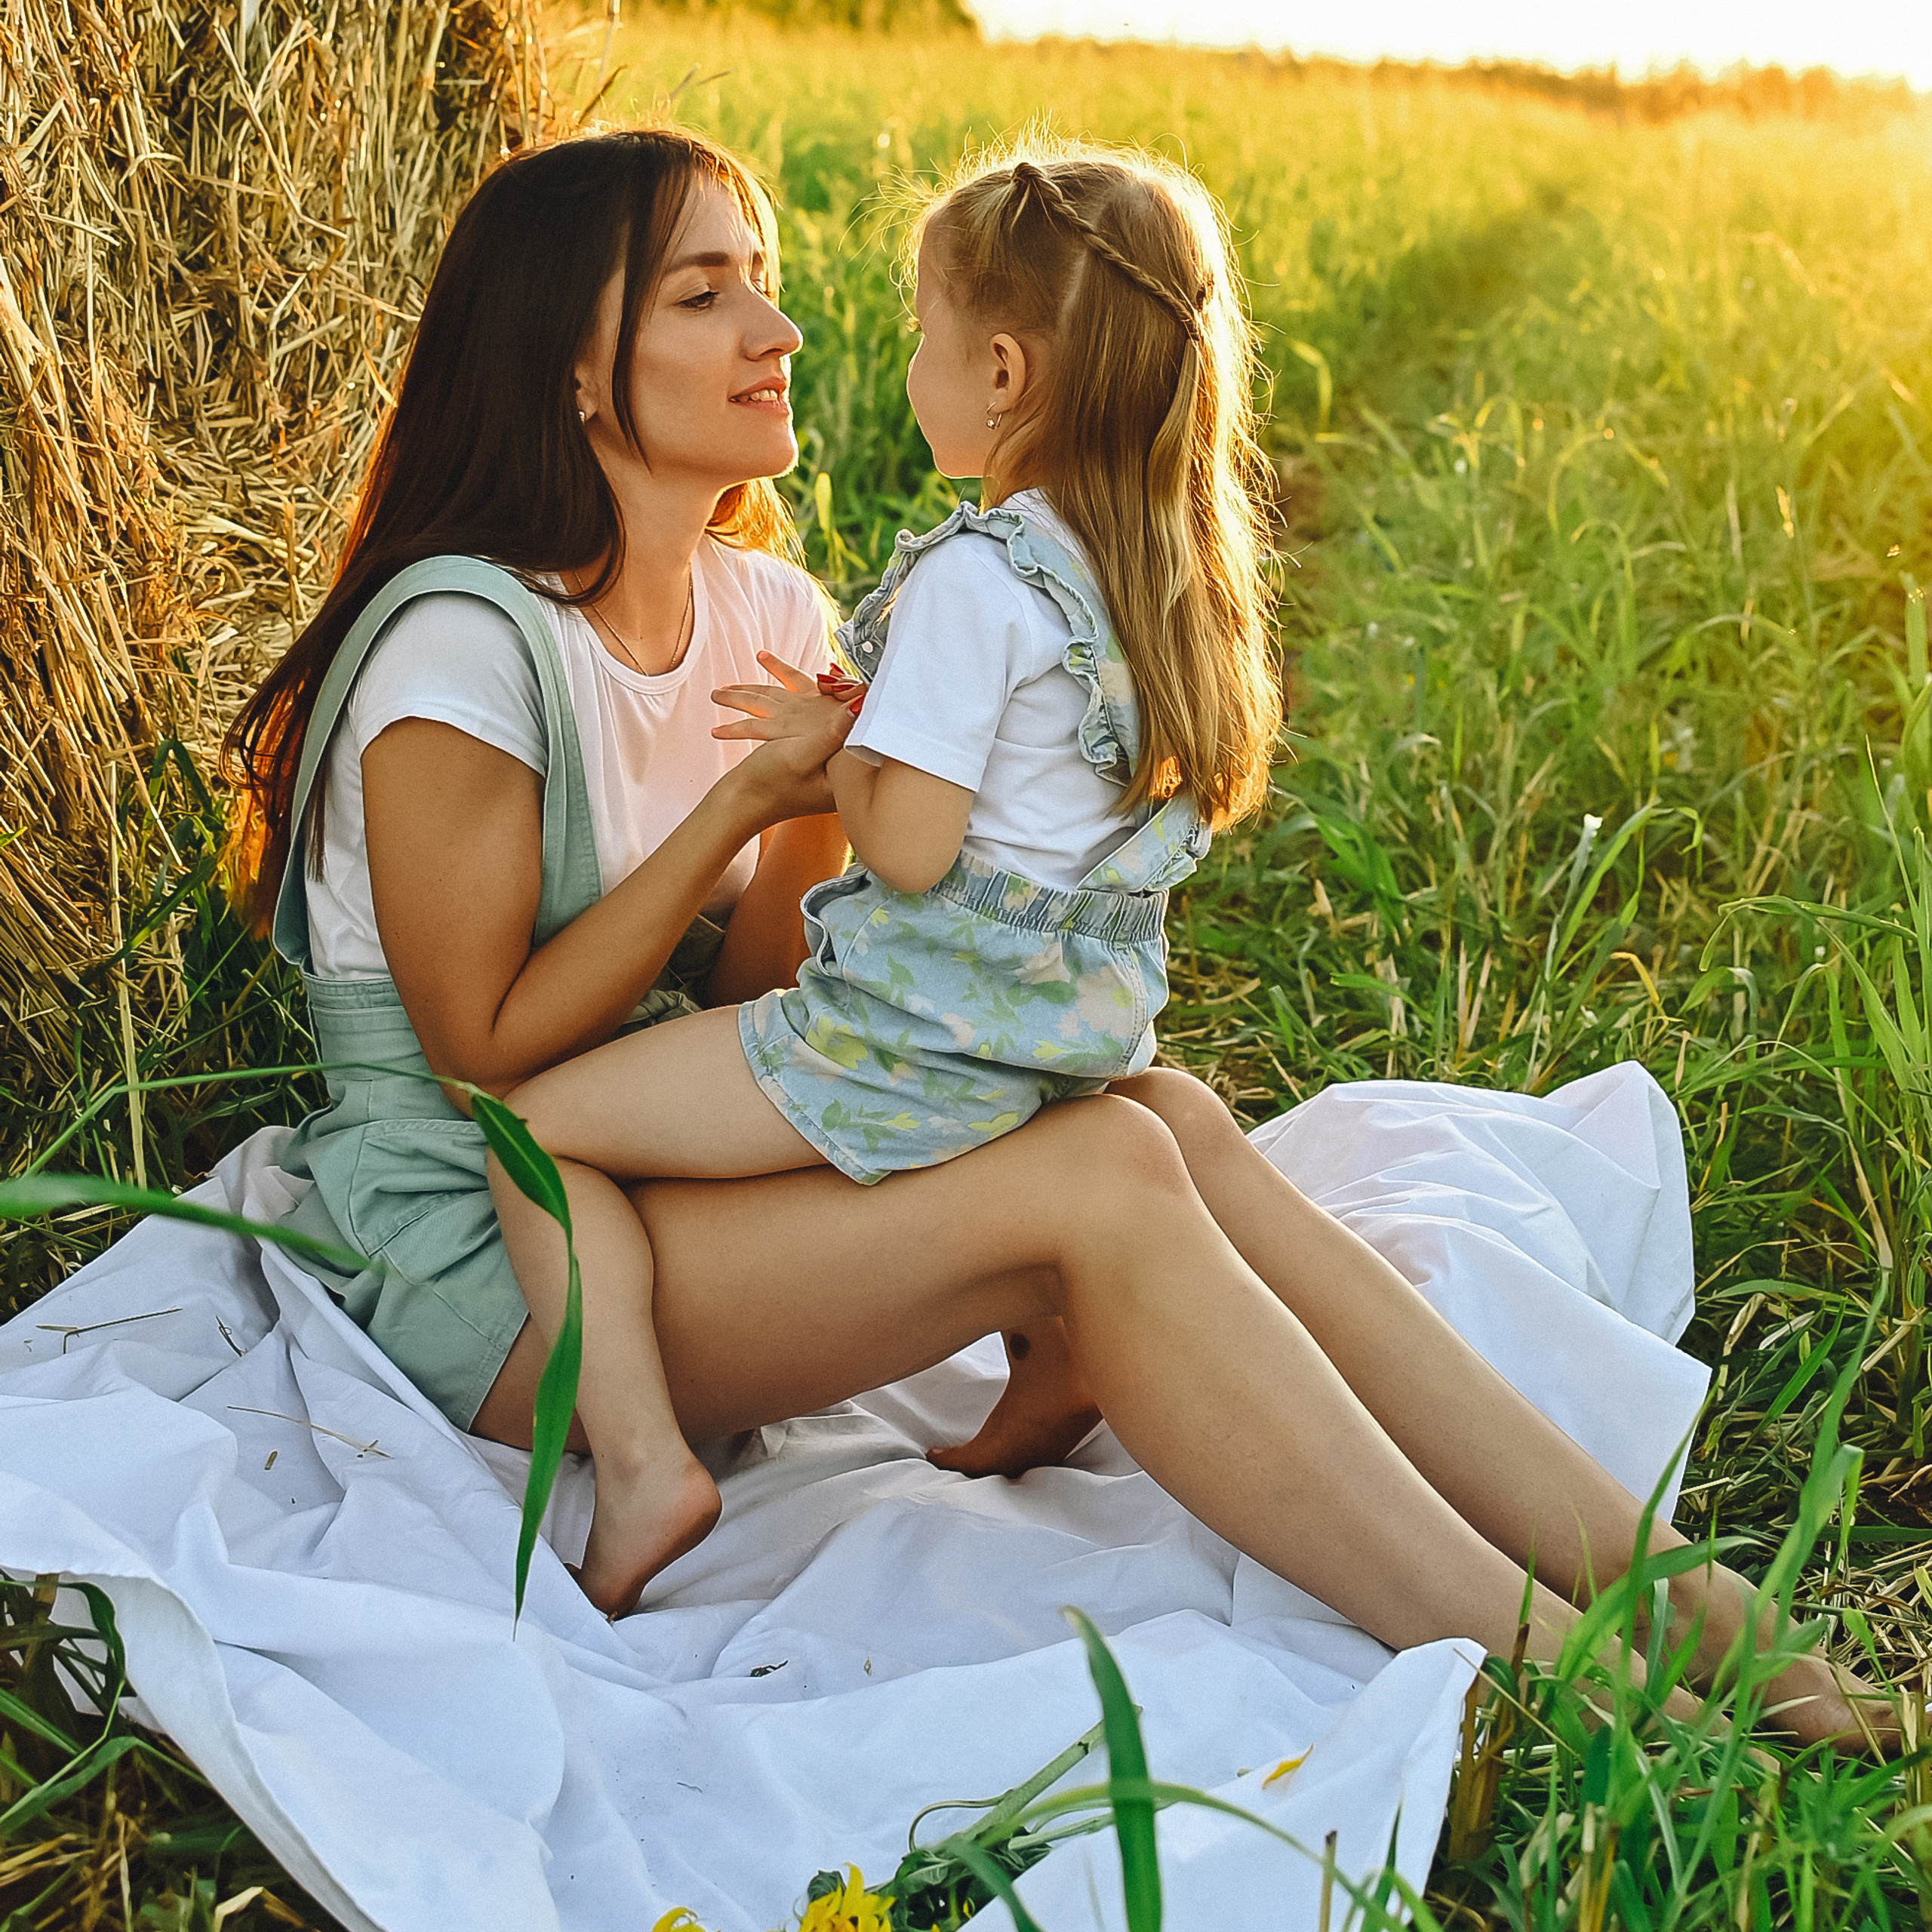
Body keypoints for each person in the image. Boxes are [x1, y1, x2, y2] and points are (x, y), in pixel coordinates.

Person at [223, 127, 1888, 1748]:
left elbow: (772, 1001)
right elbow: (486, 1064)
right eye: (704, 294)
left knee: (1166, 1119)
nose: (780, 329)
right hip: (483, 1253)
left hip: (656, 1175)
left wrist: (814, 814)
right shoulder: (461, 647)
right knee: (1092, 1178)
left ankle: (1689, 1602)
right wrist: (743, 811)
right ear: (572, 368)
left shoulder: (769, 610)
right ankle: (1570, 1681)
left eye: (766, 280)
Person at [484, 143, 1278, 1616]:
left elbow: (908, 848)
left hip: (907, 1040)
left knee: (534, 1132)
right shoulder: (1151, 569)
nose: (901, 362)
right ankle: (1056, 1358)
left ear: (1000, 372)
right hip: (1068, 1037)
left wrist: (826, 762)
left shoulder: (977, 575)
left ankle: (644, 1463)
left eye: (922, 337)